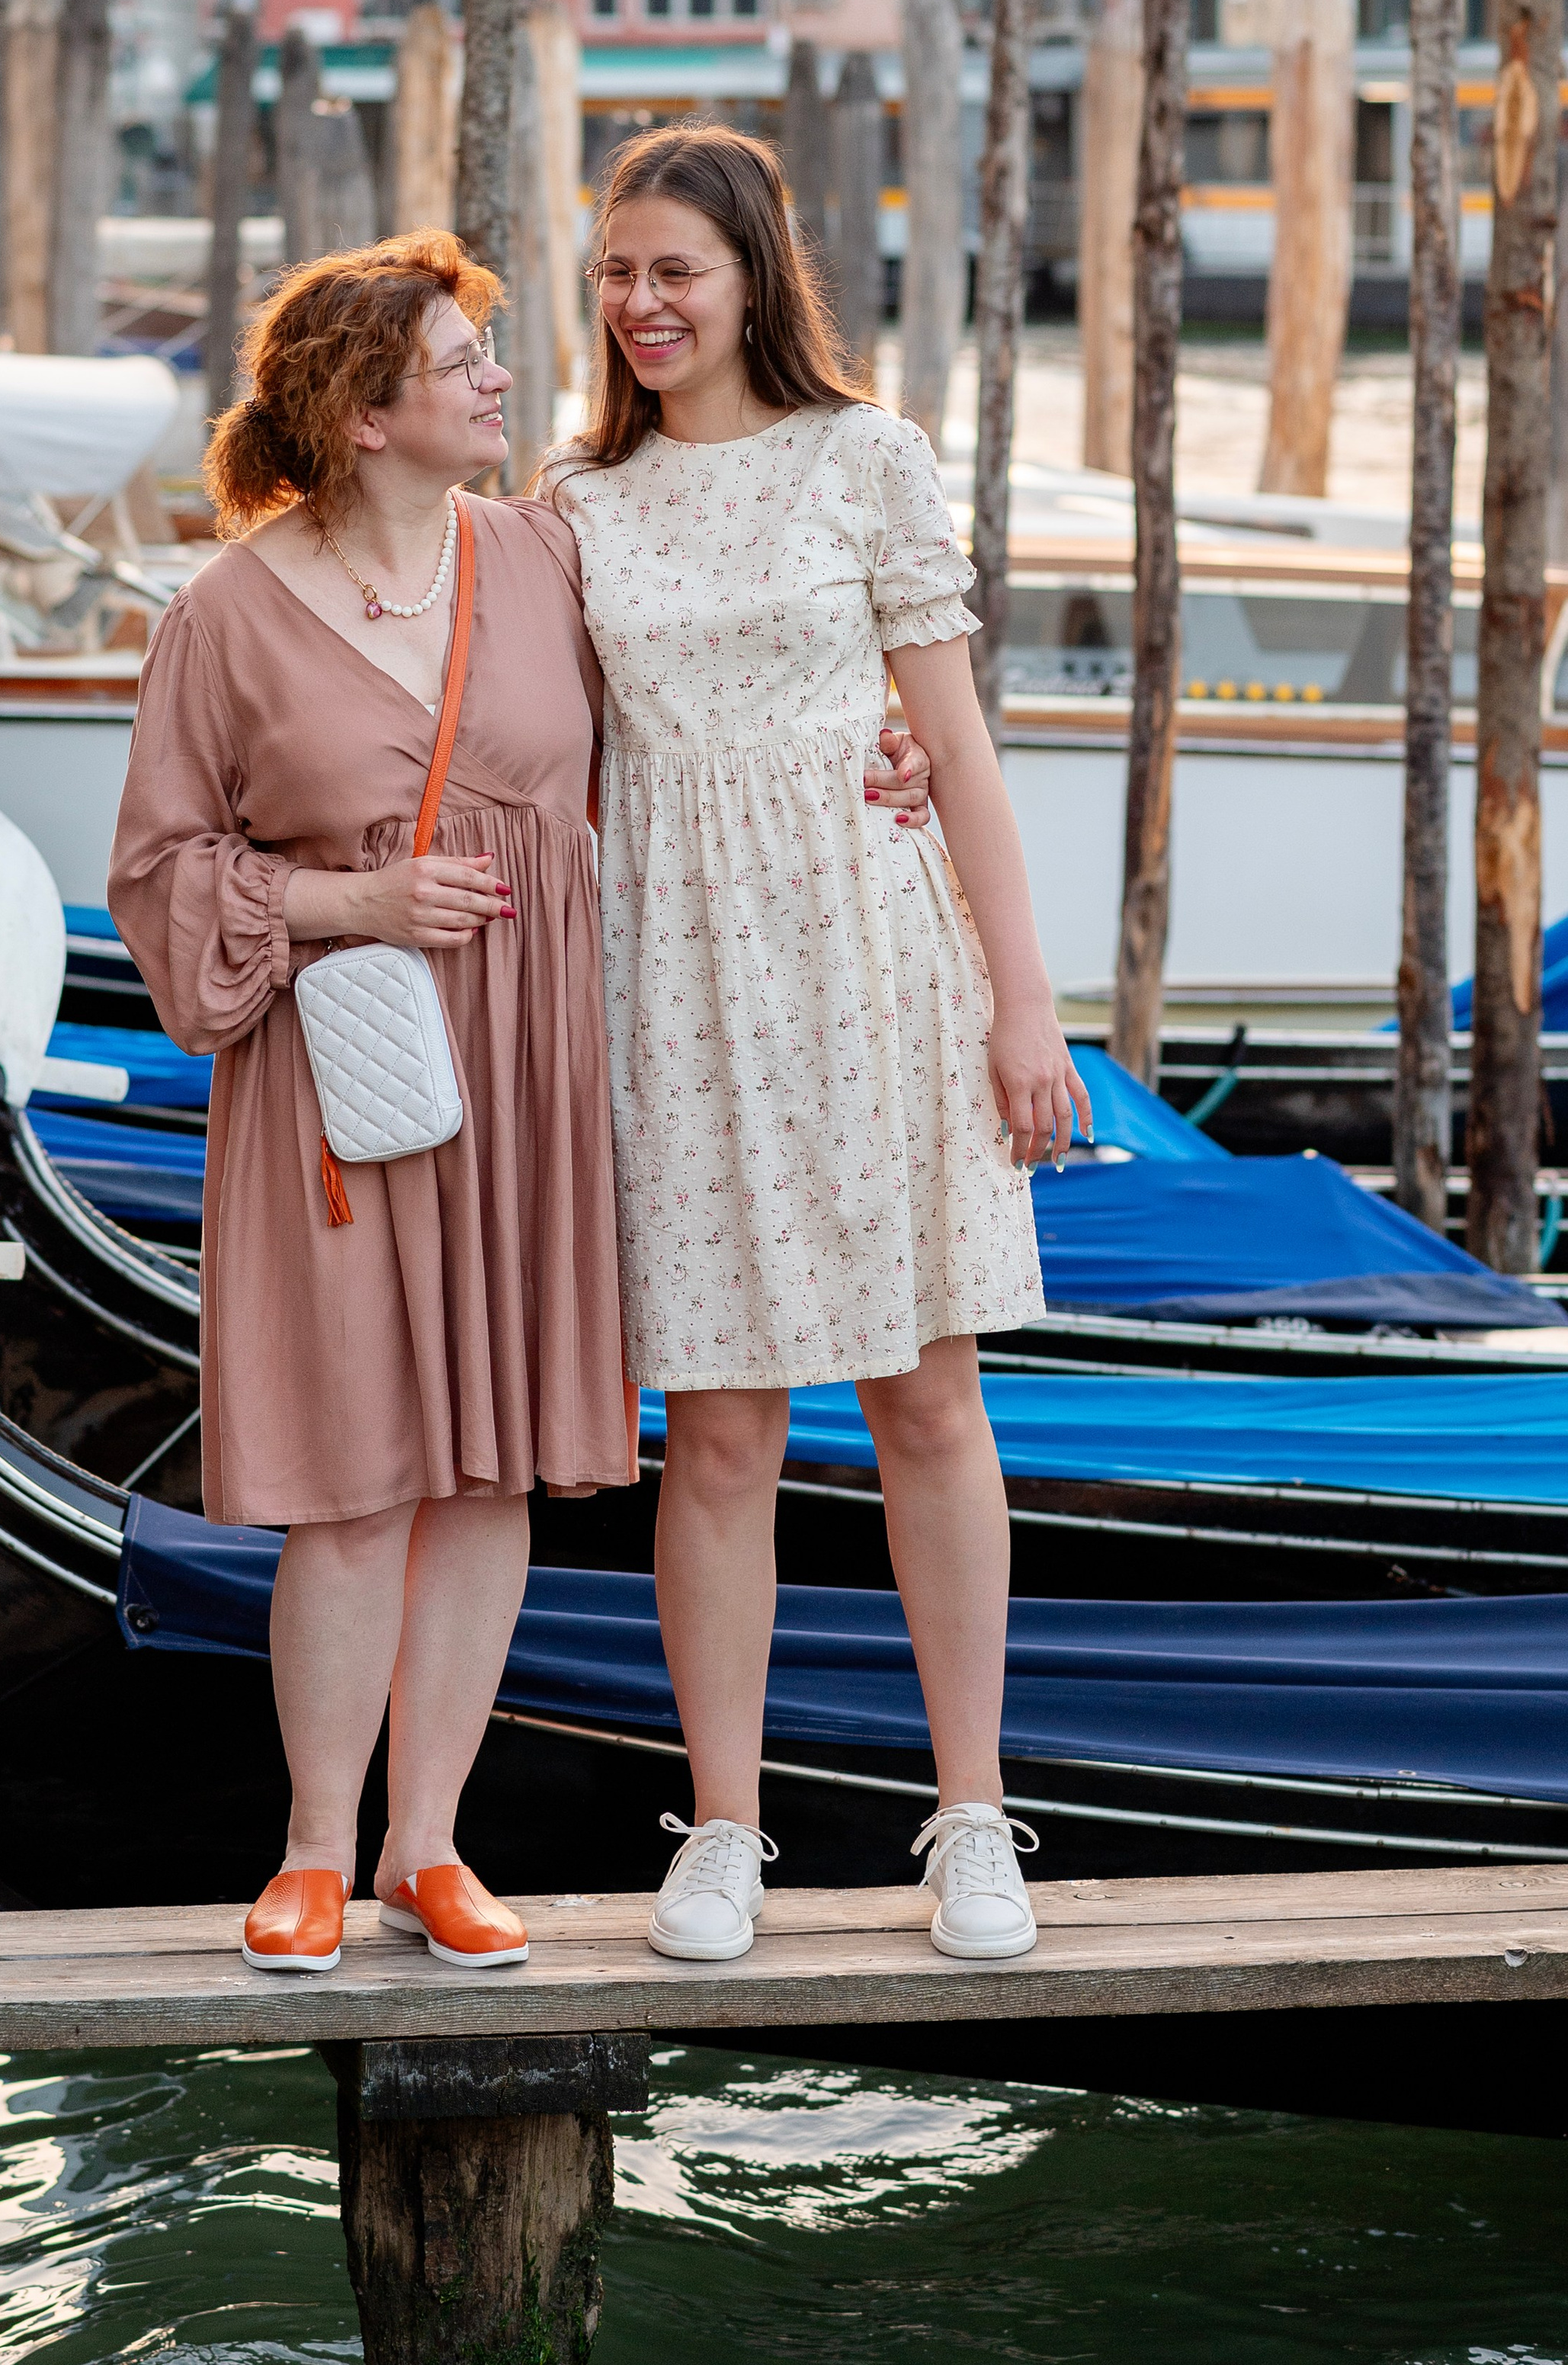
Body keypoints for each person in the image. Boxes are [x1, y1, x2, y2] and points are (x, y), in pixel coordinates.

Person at [547, 125, 1091, 1966]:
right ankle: (720, 1825)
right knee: (712, 1428)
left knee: (925, 1394)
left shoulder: (869, 457)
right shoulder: (573, 508)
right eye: (614, 270)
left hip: (869, 960)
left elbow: (955, 750)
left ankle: (967, 1816)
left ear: (750, 277)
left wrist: (1025, 1004)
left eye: (672, 270)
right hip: (674, 980)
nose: (639, 303)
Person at [107, 233, 638, 1977]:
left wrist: (890, 754)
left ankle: (430, 1846)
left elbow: (681, 743)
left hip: (531, 1064)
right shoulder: (223, 614)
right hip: (338, 1075)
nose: (499, 377)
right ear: (364, 410)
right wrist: (344, 902)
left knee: (485, 1474)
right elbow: (159, 872)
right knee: (351, 1479)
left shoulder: (546, 553)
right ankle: (312, 1849)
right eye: (461, 357)